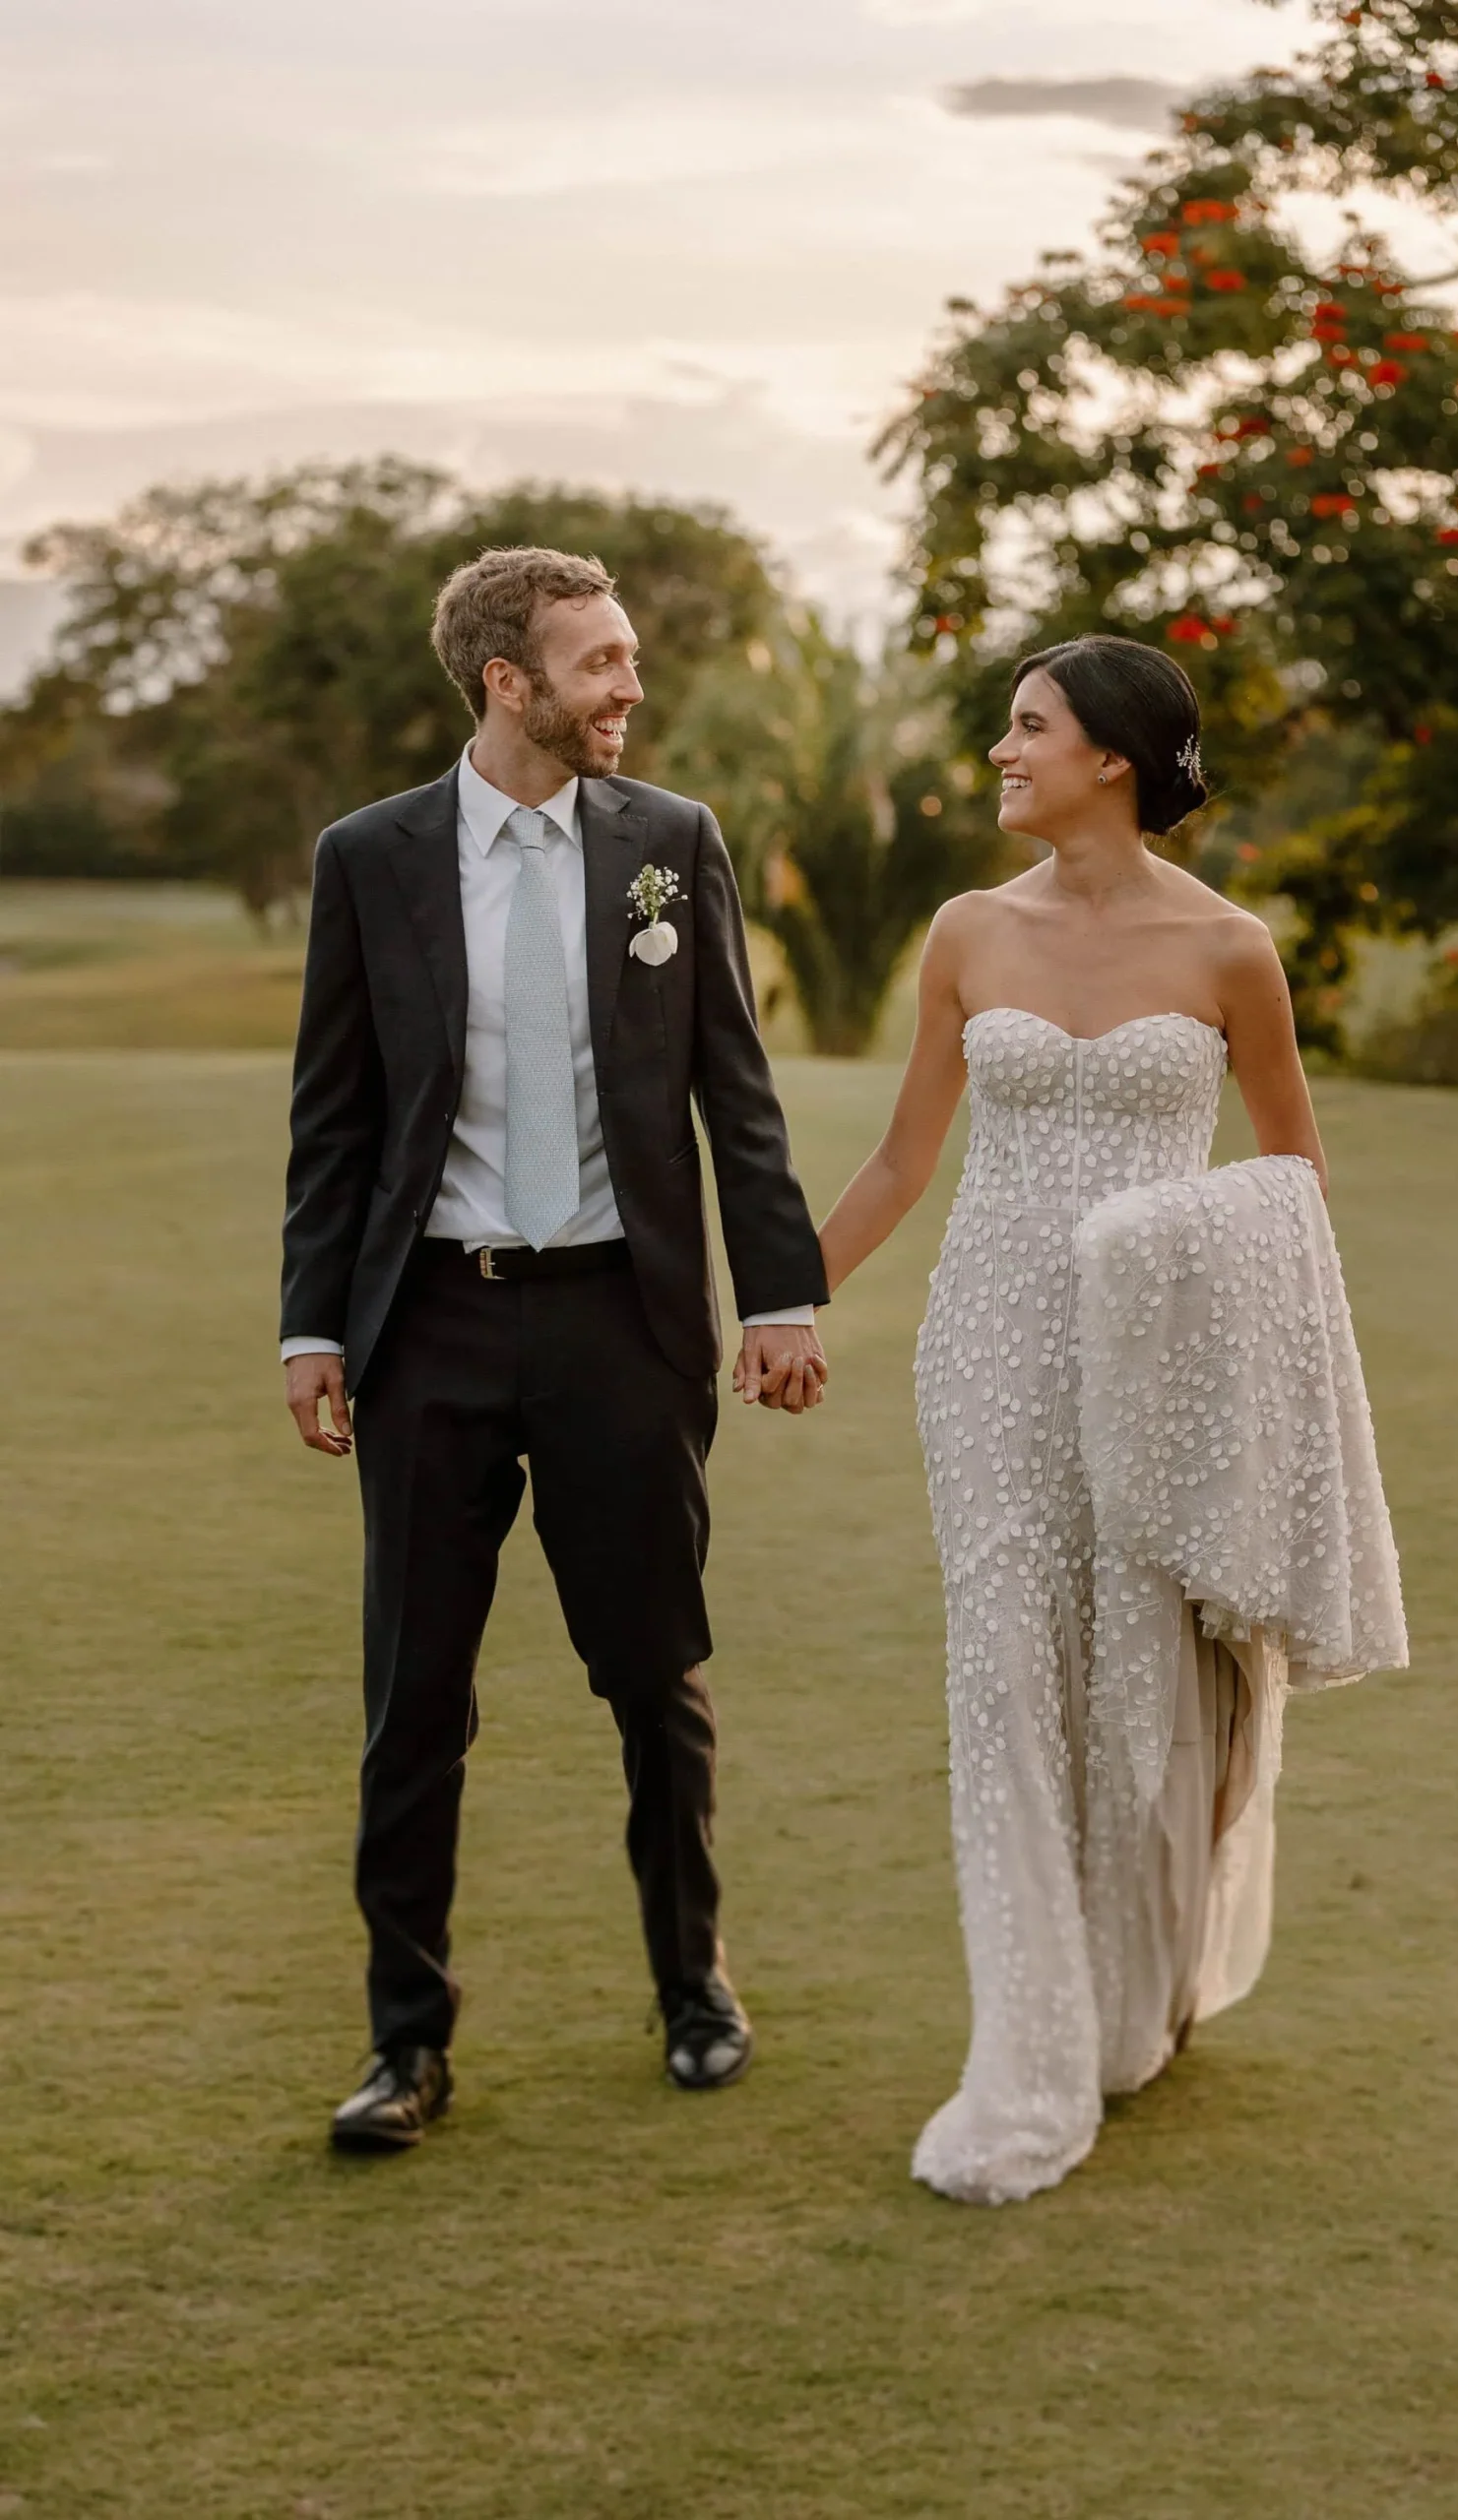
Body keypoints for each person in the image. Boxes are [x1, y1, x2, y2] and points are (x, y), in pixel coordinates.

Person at [818, 634, 1406, 2204]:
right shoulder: (963, 933)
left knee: (1151, 1677)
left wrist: (1166, 1246)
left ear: (1114, 761)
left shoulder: (1229, 952)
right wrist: (780, 1297)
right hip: (992, 1345)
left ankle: (1137, 1994)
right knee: (1008, 1673)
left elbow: (1291, 1177)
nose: (999, 754)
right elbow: (897, 1166)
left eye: (1026, 729)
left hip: (1159, 1358)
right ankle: (1027, 2039)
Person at [281, 545, 829, 2151]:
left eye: (628, 659)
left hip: (620, 1321)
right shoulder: (369, 857)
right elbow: (335, 1114)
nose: (628, 690)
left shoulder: (671, 844)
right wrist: (315, 1323)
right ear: (506, 681)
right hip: (430, 1328)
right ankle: (405, 2048)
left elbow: (736, 1085)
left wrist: (780, 1293)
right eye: (599, 664)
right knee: (412, 1701)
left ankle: (692, 1987)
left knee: (653, 1675)